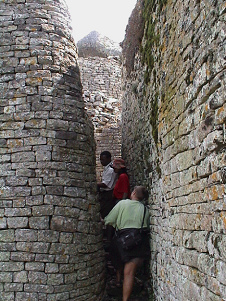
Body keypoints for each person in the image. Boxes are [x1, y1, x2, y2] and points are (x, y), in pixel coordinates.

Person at [104, 186, 150, 301]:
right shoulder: (145, 209)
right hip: (137, 242)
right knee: (129, 274)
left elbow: (109, 220)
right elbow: (146, 226)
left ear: (133, 192)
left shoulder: (122, 204)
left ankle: (118, 280)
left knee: (117, 257)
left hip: (122, 240)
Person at [97, 151, 117, 219]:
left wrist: (96, 184)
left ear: (109, 159)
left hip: (108, 194)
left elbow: (106, 184)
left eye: (103, 159)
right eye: (101, 160)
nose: (101, 161)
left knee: (106, 212)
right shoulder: (106, 169)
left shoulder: (110, 170)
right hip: (106, 194)